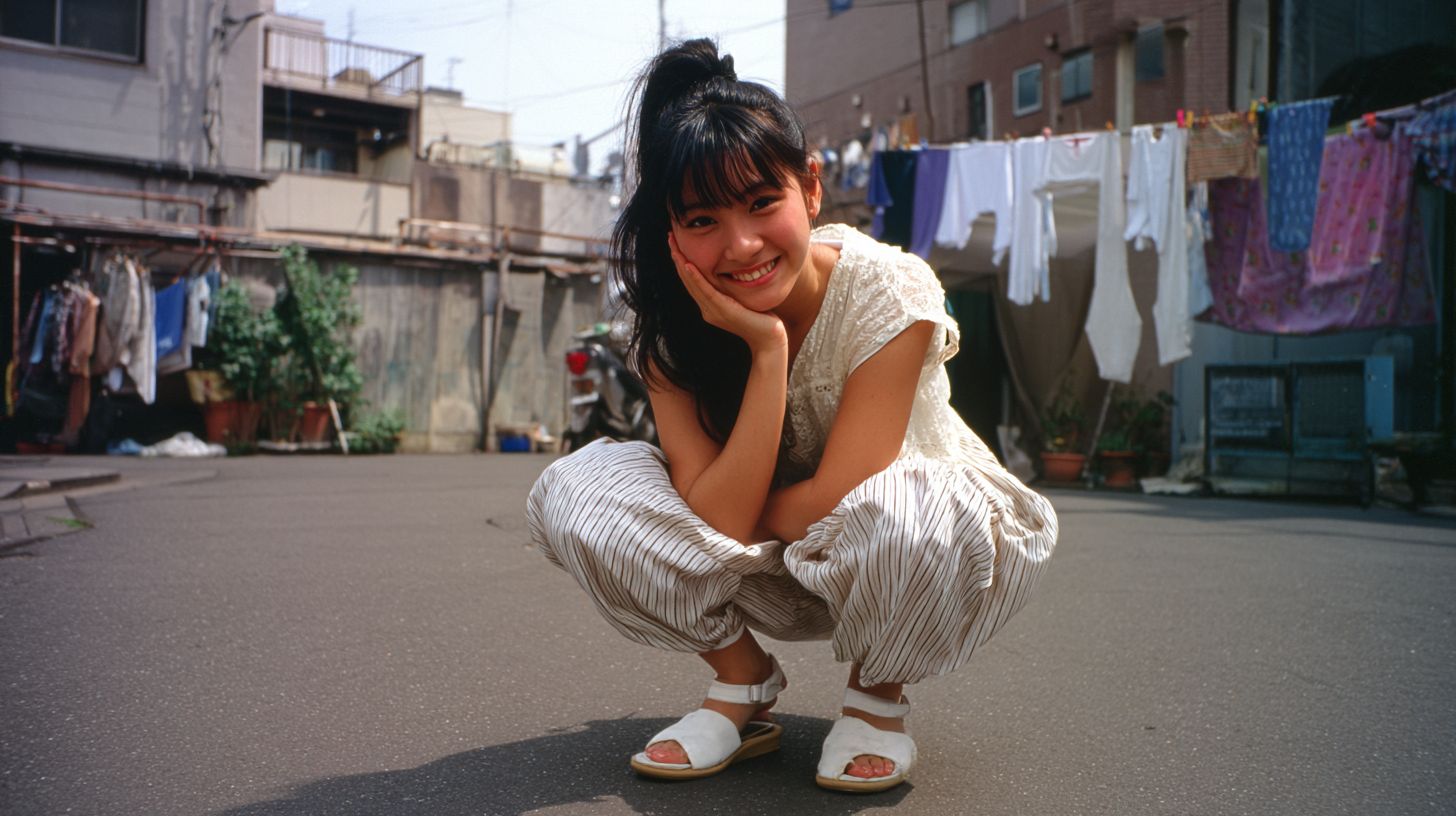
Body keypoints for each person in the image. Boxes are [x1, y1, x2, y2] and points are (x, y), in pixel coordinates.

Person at [526, 38, 1058, 793]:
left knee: (911, 502)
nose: (739, 245)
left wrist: (728, 512)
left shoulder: (889, 291)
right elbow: (713, 523)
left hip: (911, 556)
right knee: (578, 490)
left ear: (810, 187)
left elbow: (839, 494)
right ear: (671, 234)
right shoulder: (663, 330)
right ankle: (741, 681)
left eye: (760, 203)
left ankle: (877, 697)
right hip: (766, 558)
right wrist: (768, 355)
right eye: (702, 219)